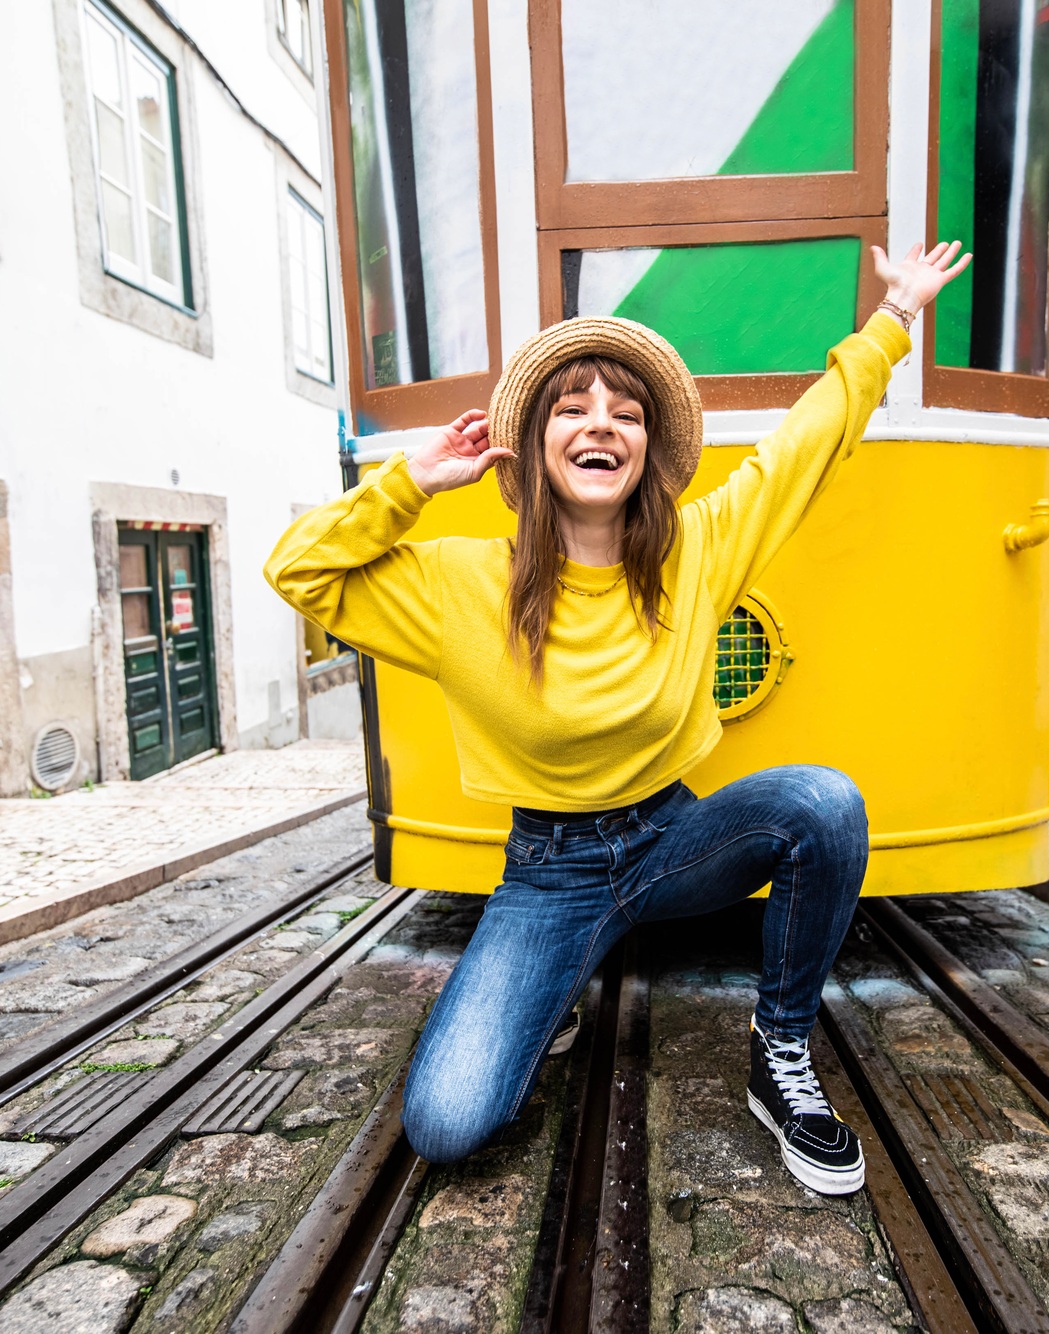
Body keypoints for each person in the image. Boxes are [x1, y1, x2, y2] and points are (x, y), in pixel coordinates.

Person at [265, 242, 970, 1194]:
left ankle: (781, 1054)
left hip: (672, 837)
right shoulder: (459, 585)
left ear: (645, 451)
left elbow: (806, 448)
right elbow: (298, 571)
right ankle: (555, 978)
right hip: (550, 874)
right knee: (445, 1123)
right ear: (539, 443)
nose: (602, 427)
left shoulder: (700, 550)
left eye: (625, 414)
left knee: (824, 803)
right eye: (574, 408)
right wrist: (412, 483)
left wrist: (895, 321)